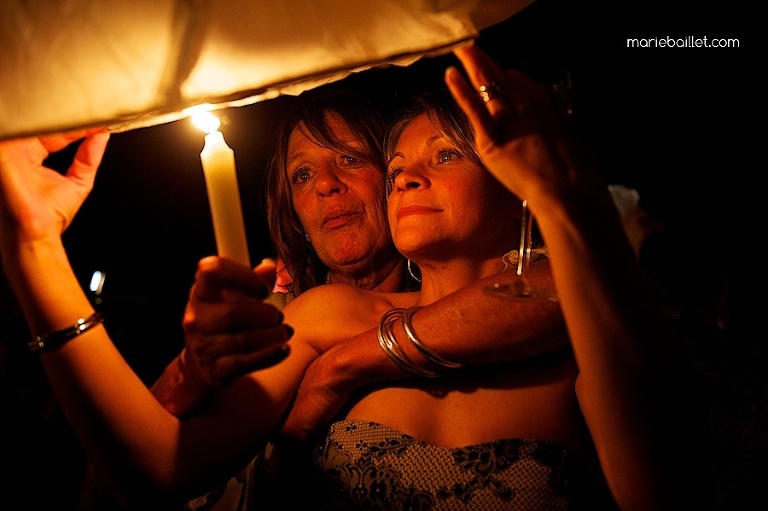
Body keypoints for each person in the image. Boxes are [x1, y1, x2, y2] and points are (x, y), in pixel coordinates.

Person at [0, 44, 712, 510]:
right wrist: (36, 252)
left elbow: (662, 492)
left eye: (444, 156)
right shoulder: (324, 315)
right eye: (399, 163)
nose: (408, 175)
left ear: (513, 177)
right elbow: (151, 471)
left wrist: (567, 201)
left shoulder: (579, 333)